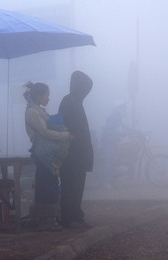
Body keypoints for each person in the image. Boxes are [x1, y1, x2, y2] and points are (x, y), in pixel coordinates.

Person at [24, 82, 72, 232]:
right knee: (45, 186)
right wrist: (65, 136)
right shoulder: (32, 112)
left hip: (46, 153)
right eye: (47, 95)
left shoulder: (38, 110)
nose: (49, 98)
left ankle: (48, 219)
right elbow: (44, 133)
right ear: (39, 96)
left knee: (49, 185)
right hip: (42, 153)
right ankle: (44, 221)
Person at [58, 71, 94, 228]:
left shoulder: (75, 101)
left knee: (77, 185)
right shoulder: (69, 102)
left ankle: (75, 216)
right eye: (85, 89)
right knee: (71, 186)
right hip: (71, 153)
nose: (86, 93)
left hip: (78, 153)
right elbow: (71, 128)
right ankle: (69, 217)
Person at [100, 101, 128, 189]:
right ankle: (106, 182)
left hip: (113, 142)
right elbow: (110, 131)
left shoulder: (118, 117)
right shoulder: (112, 118)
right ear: (118, 109)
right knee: (110, 159)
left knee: (117, 159)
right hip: (108, 142)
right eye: (123, 108)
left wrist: (136, 132)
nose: (124, 110)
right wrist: (120, 134)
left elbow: (125, 128)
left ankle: (113, 180)